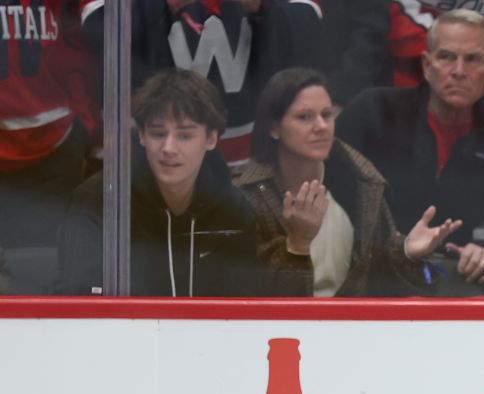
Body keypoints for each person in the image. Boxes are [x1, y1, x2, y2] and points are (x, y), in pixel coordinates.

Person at [338, 9, 484, 295]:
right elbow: (328, 201)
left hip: (449, 285)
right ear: (427, 65)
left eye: (472, 59)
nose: (458, 71)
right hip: (365, 281)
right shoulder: (373, 112)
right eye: (447, 56)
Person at [234, 68, 463, 297]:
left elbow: (379, 280)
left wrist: (406, 252)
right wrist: (297, 245)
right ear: (274, 128)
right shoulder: (247, 195)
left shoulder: (361, 182)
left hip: (351, 319)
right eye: (304, 117)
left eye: (327, 114)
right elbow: (244, 293)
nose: (322, 126)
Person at [56, 69, 265, 296]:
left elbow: (243, 302)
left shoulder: (233, 210)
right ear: (142, 135)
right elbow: (82, 303)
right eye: (157, 133)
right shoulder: (99, 202)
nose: (168, 148)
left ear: (211, 138)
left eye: (184, 136)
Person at [80, 0, 324, 165]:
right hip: (151, 156)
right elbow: (96, 30)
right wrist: (160, 6)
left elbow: (310, 24)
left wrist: (262, 7)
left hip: (255, 155)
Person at [0, 0, 99, 251]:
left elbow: (101, 27)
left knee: (43, 263)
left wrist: (87, 129)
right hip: (53, 141)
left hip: (55, 144)